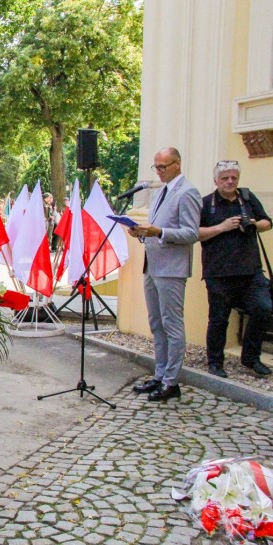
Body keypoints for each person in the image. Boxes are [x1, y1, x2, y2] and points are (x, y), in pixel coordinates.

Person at [129, 147, 202, 402]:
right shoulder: (161, 192)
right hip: (153, 265)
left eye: (163, 167)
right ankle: (159, 375)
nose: (159, 171)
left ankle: (172, 381)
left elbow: (192, 233)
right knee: (156, 323)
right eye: (156, 167)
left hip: (171, 269)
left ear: (177, 164)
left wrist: (159, 232)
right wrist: (141, 232)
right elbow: (155, 229)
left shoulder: (188, 192)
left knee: (172, 324)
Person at [198, 160, 272, 378]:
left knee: (263, 309)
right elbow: (195, 233)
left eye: (233, 178)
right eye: (225, 178)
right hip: (218, 272)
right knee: (219, 319)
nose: (230, 182)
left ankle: (250, 357)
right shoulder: (205, 203)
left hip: (251, 271)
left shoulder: (247, 198)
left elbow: (267, 222)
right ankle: (215, 362)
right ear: (216, 181)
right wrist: (222, 227)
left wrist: (253, 224)